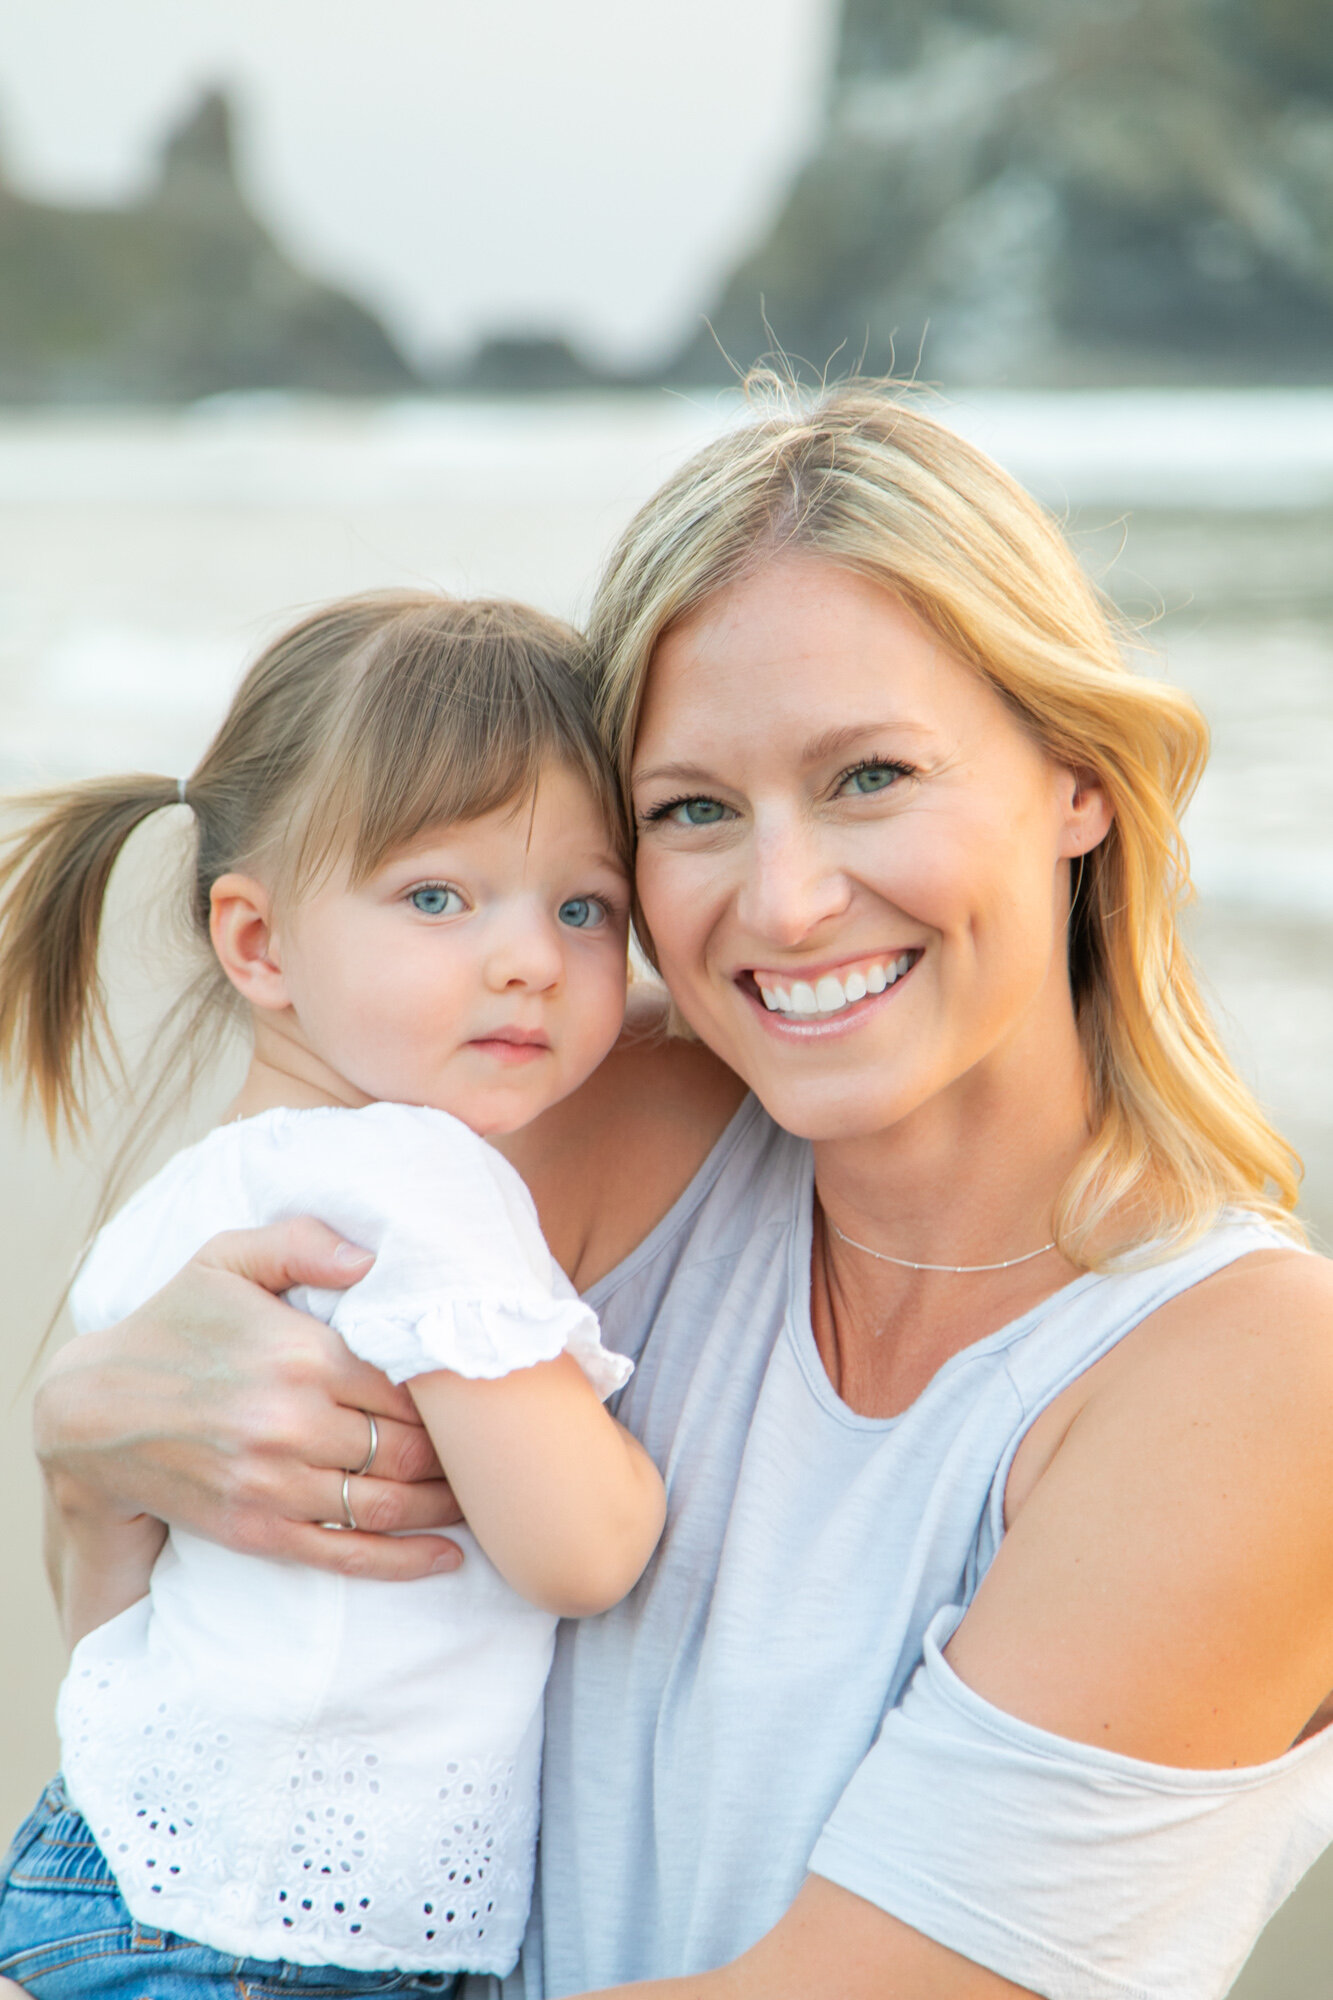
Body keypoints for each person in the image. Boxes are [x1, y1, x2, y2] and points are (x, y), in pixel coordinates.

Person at [20, 383, 1333, 2000]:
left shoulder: (1249, 1377)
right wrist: (86, 1445)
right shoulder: (573, 1131)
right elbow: (192, 1660)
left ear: (1077, 780)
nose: (783, 902)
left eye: (869, 778)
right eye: (690, 812)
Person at [0, 592, 666, 1996]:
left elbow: (106, 1571)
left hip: (115, 1864)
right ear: (258, 946)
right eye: (438, 896)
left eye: (584, 907)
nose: (527, 958)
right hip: (270, 1933)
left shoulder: (192, 1197)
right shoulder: (415, 1181)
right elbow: (585, 1550)